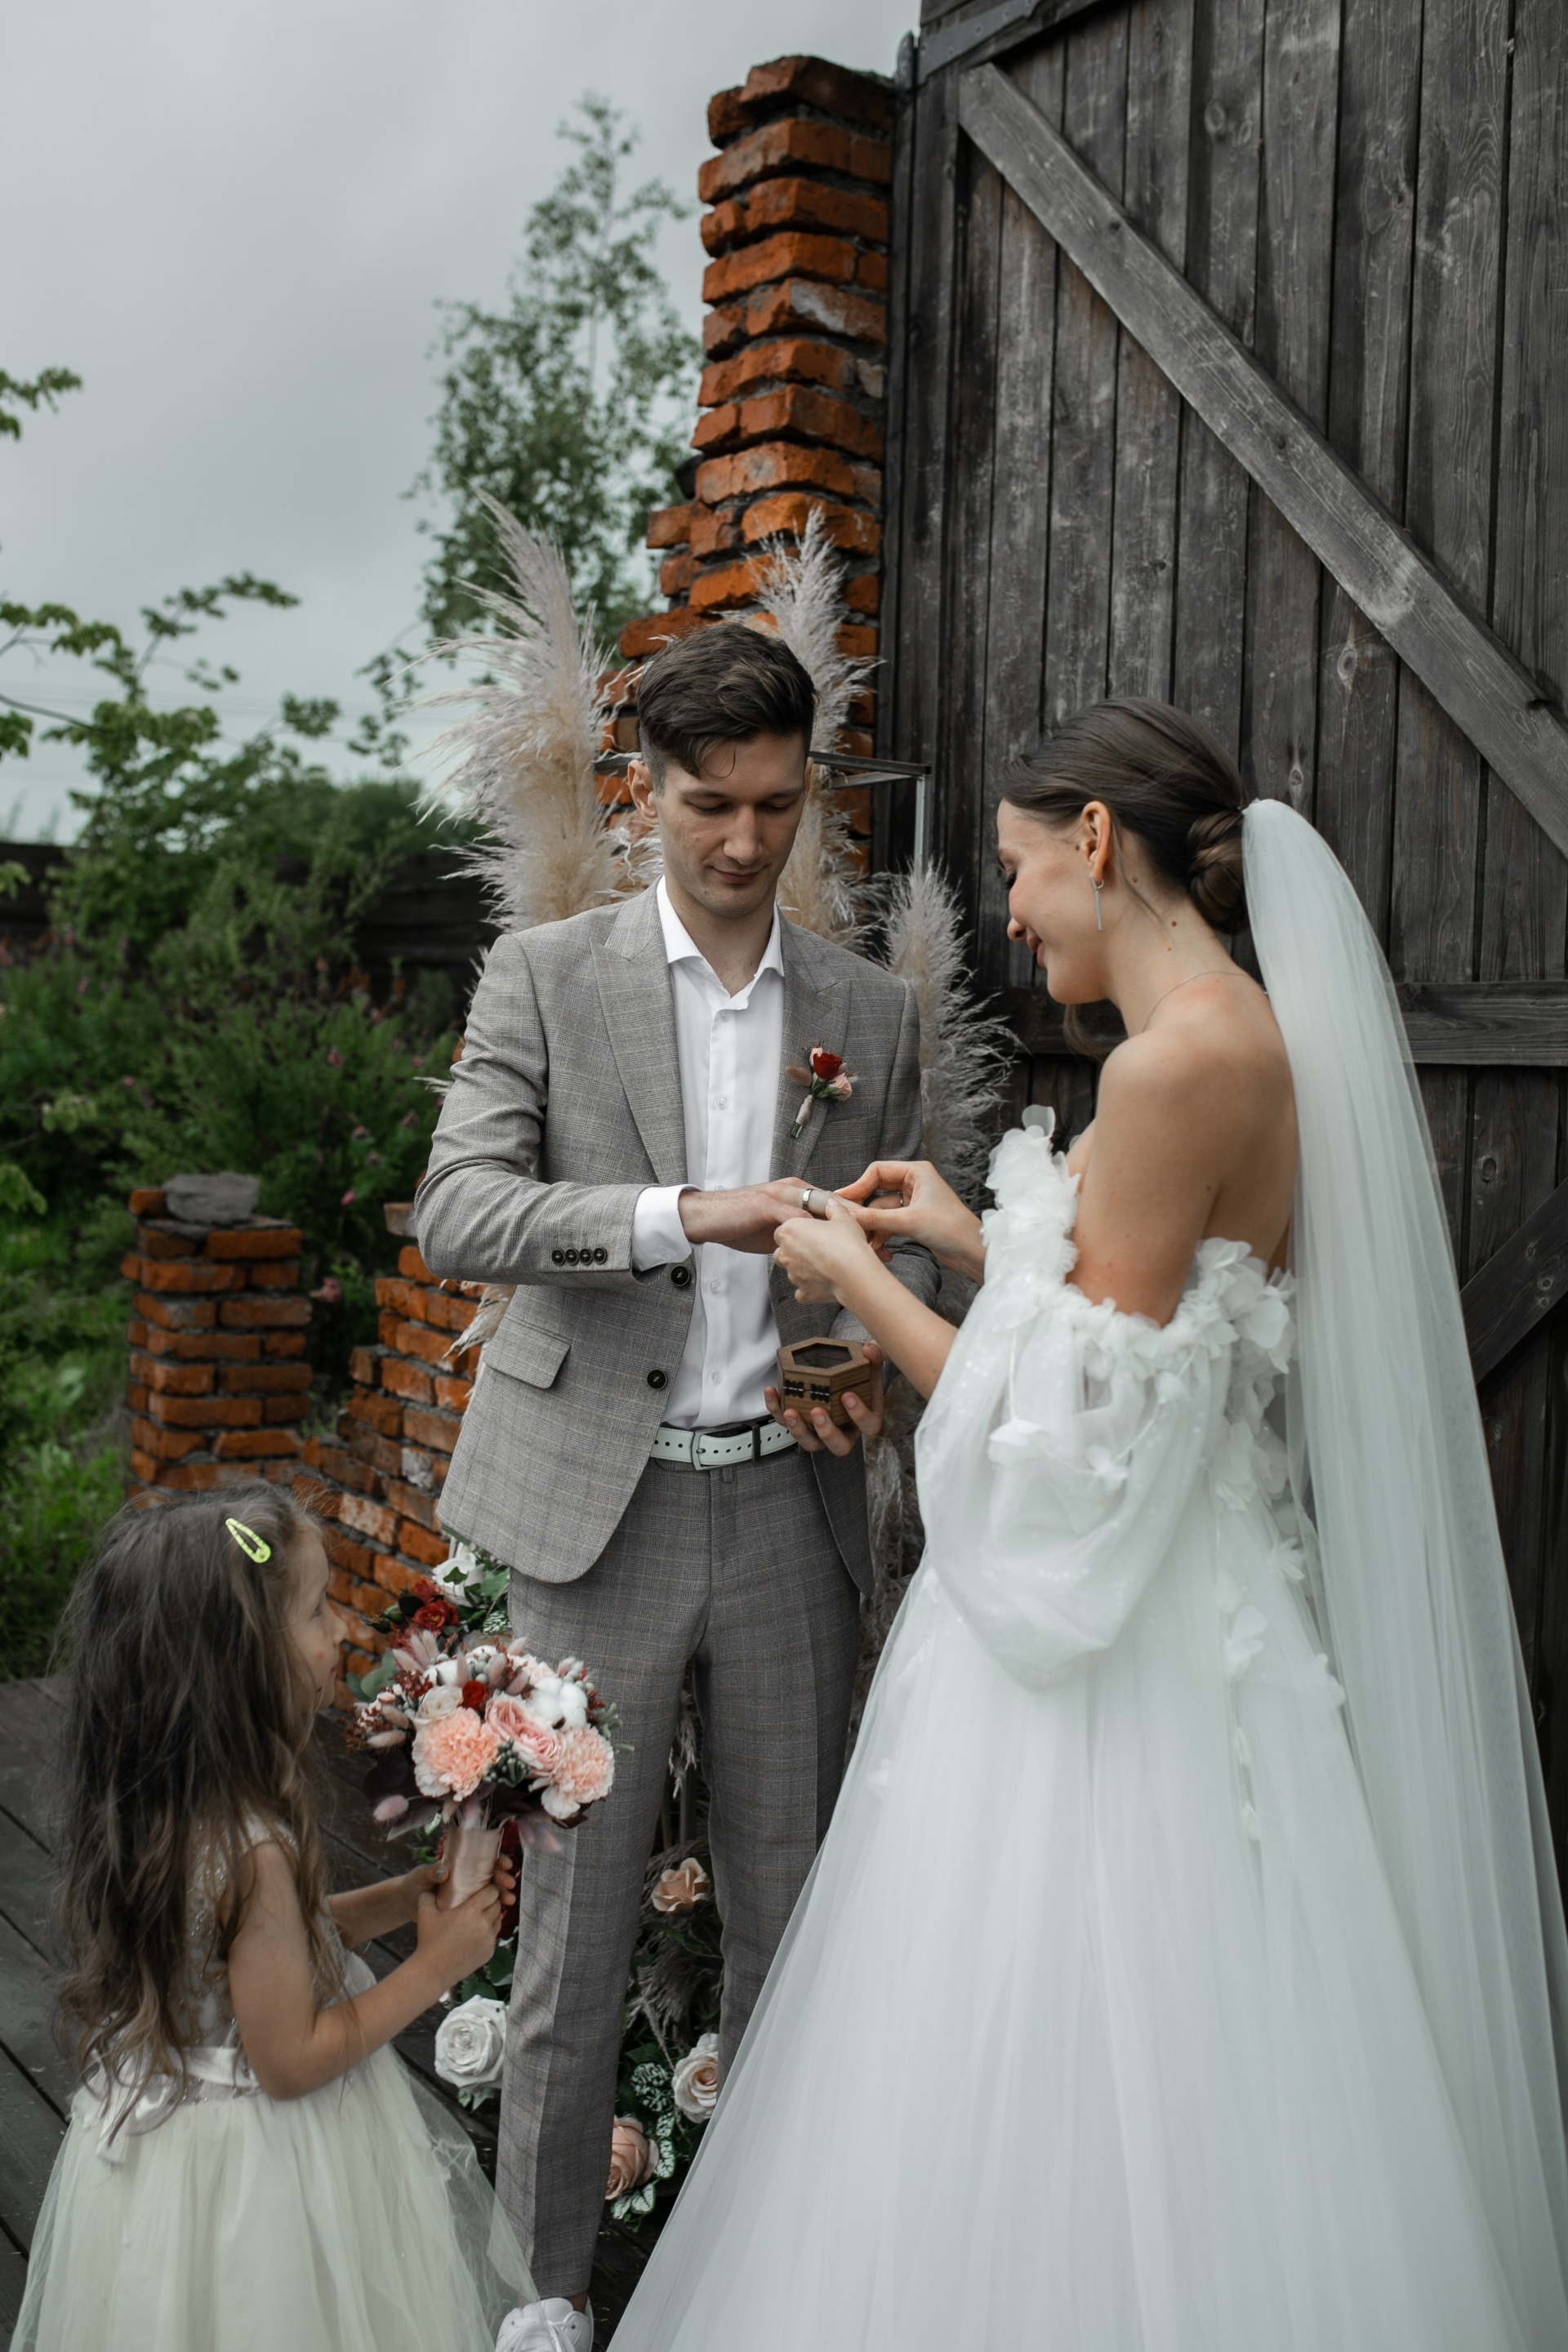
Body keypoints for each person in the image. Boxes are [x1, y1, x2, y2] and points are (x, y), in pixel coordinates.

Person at [610, 699, 1568, 2350]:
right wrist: (970, 1240)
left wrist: (851, 1282)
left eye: (1015, 868)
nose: (1010, 914)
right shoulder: (1243, 1033)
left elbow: (1066, 1459)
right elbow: (1151, 1324)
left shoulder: (1173, 1066)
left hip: (1118, 1665)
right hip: (1219, 1612)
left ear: (1098, 842)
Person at [412, 622, 938, 2347]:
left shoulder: (868, 1011)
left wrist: (868, 1363)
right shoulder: (543, 976)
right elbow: (459, 1211)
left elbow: (896, 1262)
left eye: (777, 806)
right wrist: (677, 1216)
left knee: (794, 1922)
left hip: (791, 1517)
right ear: (644, 794)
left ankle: (770, 2288)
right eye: (712, 804)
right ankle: (543, 2298)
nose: (744, 840)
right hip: (597, 1519)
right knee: (570, 1943)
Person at [13, 1482, 535, 2352]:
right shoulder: (252, 1846)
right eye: (317, 1609)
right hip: (259, 2175)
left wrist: (402, 1899)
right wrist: (438, 1965)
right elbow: (290, 2060)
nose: (343, 1629)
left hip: (169, 2159)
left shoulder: (179, 1808)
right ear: (240, 1660)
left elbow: (256, 1950)